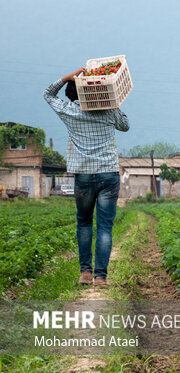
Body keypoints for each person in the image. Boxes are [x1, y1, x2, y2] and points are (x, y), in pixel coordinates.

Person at [44, 68, 130, 287]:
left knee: (84, 222)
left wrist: (67, 76)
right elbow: (125, 126)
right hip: (108, 175)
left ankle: (85, 273)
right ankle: (100, 277)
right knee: (104, 226)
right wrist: (113, 100)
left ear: (72, 94)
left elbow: (48, 94)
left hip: (83, 176)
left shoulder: (69, 111)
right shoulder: (108, 110)